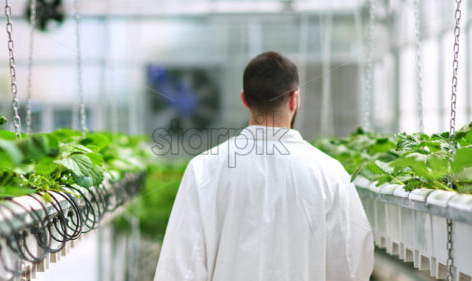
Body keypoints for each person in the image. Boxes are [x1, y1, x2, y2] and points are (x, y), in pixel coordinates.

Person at [154, 51, 374, 281]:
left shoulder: (204, 170)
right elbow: (351, 264)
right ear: (294, 99)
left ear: (244, 99)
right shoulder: (329, 173)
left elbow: (180, 267)